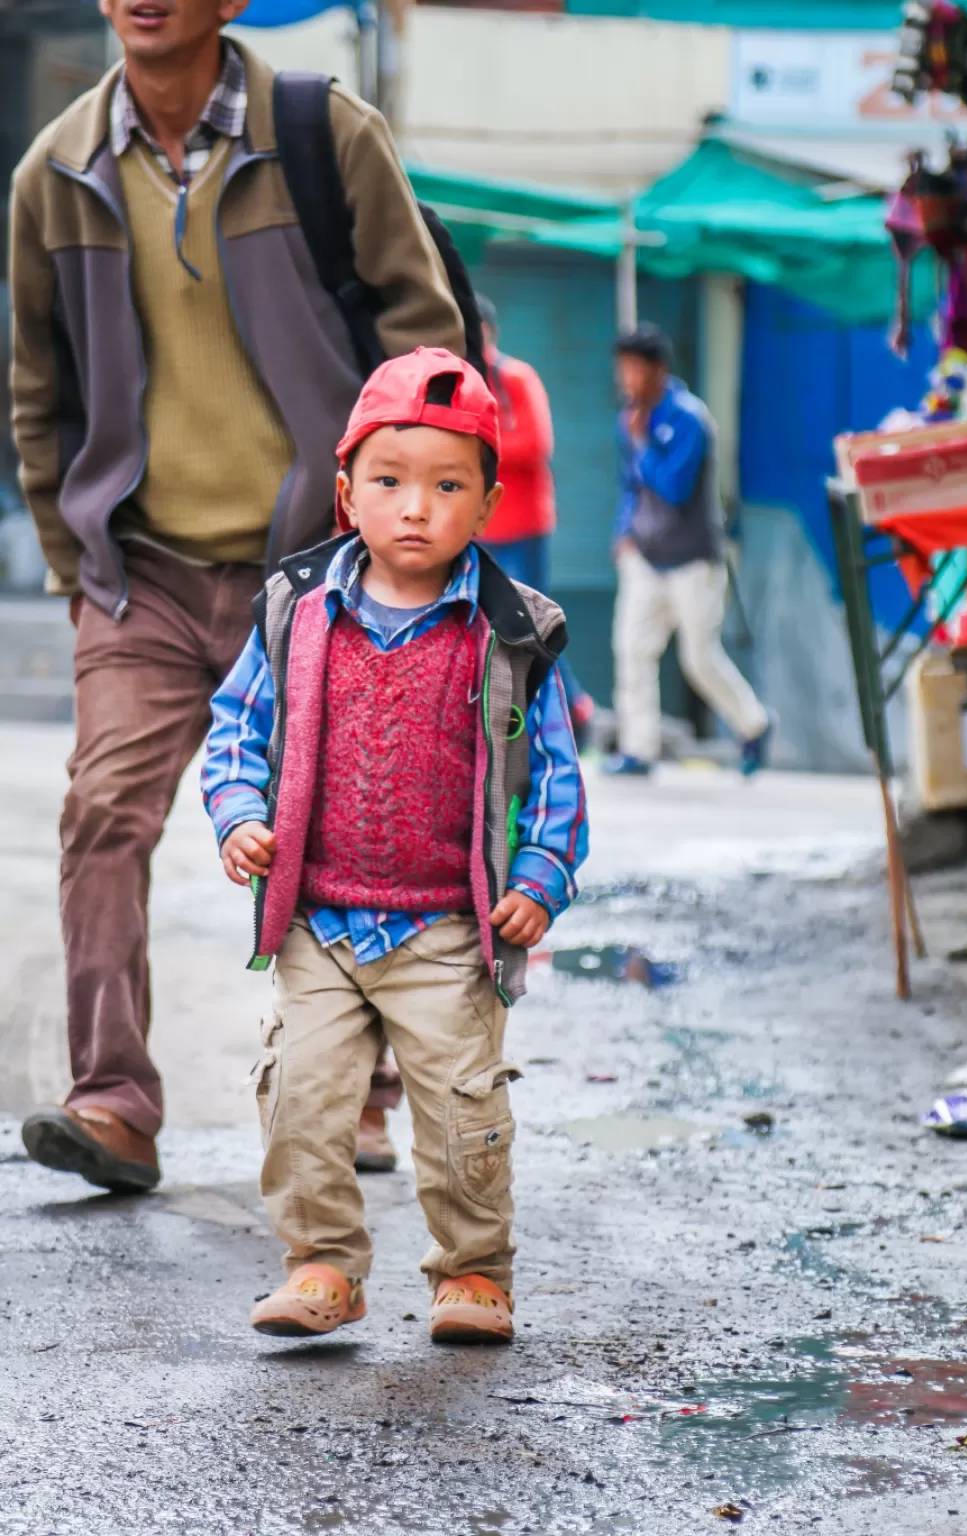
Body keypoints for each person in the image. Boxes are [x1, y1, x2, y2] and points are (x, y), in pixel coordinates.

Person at [10, 0, 465, 1193]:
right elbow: (39, 393)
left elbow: (426, 346)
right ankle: (111, 1101)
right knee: (103, 813)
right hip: (142, 572)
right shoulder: (55, 175)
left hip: (318, 568)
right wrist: (80, 570)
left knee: (341, 824)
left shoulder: (321, 136)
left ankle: (356, 1085)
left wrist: (391, 544)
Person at [202, 348, 588, 1344]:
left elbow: (551, 771)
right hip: (319, 924)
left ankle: (472, 1272)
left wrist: (541, 875)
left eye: (447, 485)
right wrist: (240, 813)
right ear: (346, 493)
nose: (415, 506)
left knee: (462, 1115)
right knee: (302, 1097)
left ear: (488, 503)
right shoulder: (298, 612)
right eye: (389, 482)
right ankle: (322, 1263)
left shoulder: (509, 631)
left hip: (448, 931)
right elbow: (236, 727)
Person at [604, 324, 772, 778]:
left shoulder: (688, 419)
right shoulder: (631, 418)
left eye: (633, 369)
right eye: (622, 369)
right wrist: (623, 532)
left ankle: (753, 725)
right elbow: (631, 487)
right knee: (633, 649)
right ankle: (639, 748)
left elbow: (674, 487)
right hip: (645, 556)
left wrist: (642, 443)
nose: (626, 379)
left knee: (699, 658)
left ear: (658, 370)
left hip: (693, 559)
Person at [475, 295, 593, 738]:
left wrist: (485, 444)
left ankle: (573, 712)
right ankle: (545, 713)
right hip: (483, 528)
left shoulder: (516, 378)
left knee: (536, 624)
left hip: (523, 526)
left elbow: (537, 443)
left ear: (487, 331)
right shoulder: (462, 380)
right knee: (492, 628)